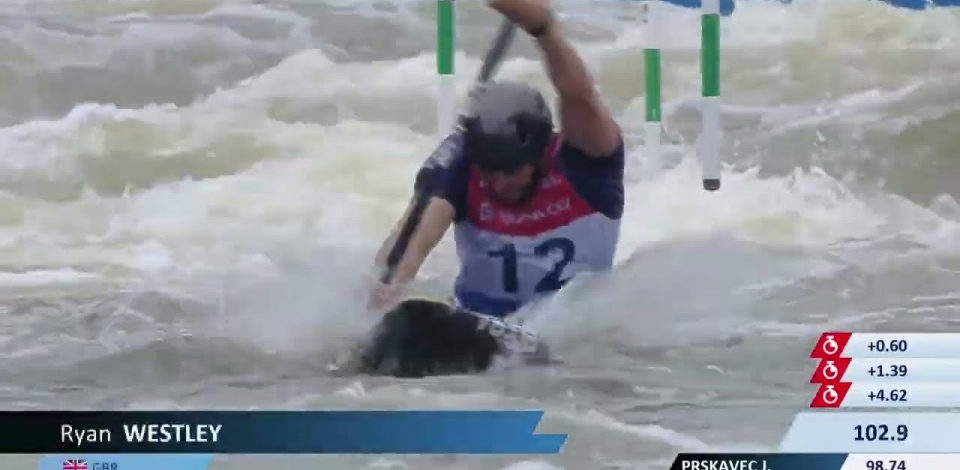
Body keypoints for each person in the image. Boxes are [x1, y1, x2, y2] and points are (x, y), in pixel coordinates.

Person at [359, 0, 624, 376]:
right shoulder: (462, 163)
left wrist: (544, 30)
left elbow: (579, 96)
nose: (499, 182)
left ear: (539, 155)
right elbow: (410, 242)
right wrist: (383, 301)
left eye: (511, 171)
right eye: (490, 171)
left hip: (565, 334)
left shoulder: (586, 166)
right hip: (479, 325)